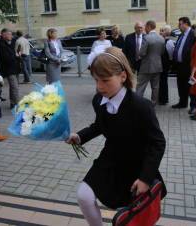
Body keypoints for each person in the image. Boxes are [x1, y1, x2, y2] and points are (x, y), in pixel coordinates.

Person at [66, 47, 166, 226]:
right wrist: (79, 136)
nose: (99, 86)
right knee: (84, 195)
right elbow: (99, 126)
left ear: (123, 76)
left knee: (136, 212)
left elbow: (158, 143)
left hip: (137, 164)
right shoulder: (98, 100)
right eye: (96, 80)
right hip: (110, 159)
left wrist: (145, 178)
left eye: (105, 80)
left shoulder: (141, 106)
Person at [136, 20, 165, 105]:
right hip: (157, 66)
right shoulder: (161, 38)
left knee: (140, 86)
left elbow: (142, 53)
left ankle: (138, 104)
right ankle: (153, 104)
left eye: (145, 27)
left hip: (146, 66)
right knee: (155, 87)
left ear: (149, 26)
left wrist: (140, 55)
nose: (144, 28)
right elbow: (162, 52)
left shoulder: (146, 38)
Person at [172, 17, 196, 109]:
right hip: (180, 65)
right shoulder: (182, 34)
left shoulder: (193, 34)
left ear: (186, 24)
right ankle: (182, 102)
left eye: (180, 24)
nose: (179, 26)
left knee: (190, 86)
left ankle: (193, 106)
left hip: (189, 66)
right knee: (181, 85)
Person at [0, 28, 19, 109]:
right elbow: (6, 57)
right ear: (4, 35)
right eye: (9, 34)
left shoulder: (10, 42)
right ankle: (16, 104)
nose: (11, 36)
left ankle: (13, 103)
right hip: (8, 69)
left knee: (14, 87)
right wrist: (16, 55)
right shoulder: (1, 43)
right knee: (14, 87)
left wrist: (17, 55)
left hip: (14, 68)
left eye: (11, 34)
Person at [158, 25, 175, 105]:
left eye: (162, 30)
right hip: (160, 64)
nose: (160, 32)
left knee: (163, 81)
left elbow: (171, 55)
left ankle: (164, 99)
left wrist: (169, 64)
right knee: (160, 82)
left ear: (166, 32)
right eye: (160, 30)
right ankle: (160, 97)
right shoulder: (161, 41)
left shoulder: (169, 42)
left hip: (164, 65)